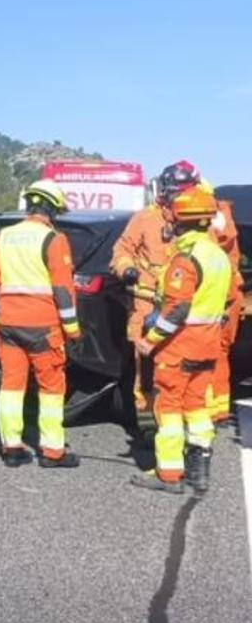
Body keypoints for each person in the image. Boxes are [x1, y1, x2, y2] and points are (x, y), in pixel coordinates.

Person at [131, 185, 233, 494]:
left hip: (180, 345)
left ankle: (169, 474)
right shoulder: (217, 255)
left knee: (170, 407)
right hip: (208, 343)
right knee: (197, 408)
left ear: (180, 221)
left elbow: (177, 308)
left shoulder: (185, 259)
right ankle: (199, 470)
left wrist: (150, 338)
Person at [0, 179, 82, 468]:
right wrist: (73, 329)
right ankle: (53, 452)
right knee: (51, 389)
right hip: (43, 326)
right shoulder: (54, 239)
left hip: (8, 324)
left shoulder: (2, 236)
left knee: (11, 386)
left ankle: (11, 447)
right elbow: (63, 290)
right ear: (51, 209)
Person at [110, 161, 197, 437]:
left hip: (183, 306)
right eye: (170, 191)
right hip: (146, 303)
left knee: (181, 368)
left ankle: (181, 421)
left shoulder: (196, 220)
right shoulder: (146, 218)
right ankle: (148, 427)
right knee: (145, 368)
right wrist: (127, 270)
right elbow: (122, 250)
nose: (171, 197)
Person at [202, 181, 243, 426]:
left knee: (212, 354)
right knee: (217, 354)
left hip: (218, 298)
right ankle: (215, 410)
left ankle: (212, 410)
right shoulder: (220, 216)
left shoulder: (211, 220)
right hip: (224, 295)